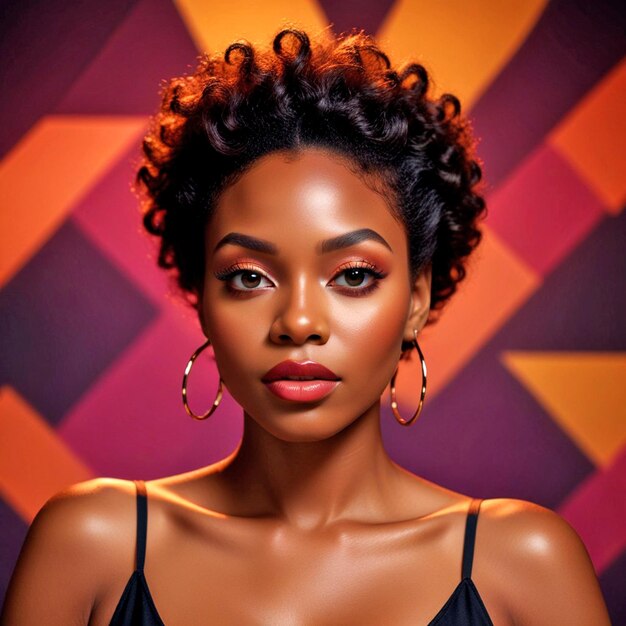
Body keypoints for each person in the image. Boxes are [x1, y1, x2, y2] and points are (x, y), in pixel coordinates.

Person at [1, 27, 610, 626]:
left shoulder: (522, 567)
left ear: (417, 297)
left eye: (351, 276)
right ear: (200, 295)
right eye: (248, 277)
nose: (297, 323)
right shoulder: (90, 549)